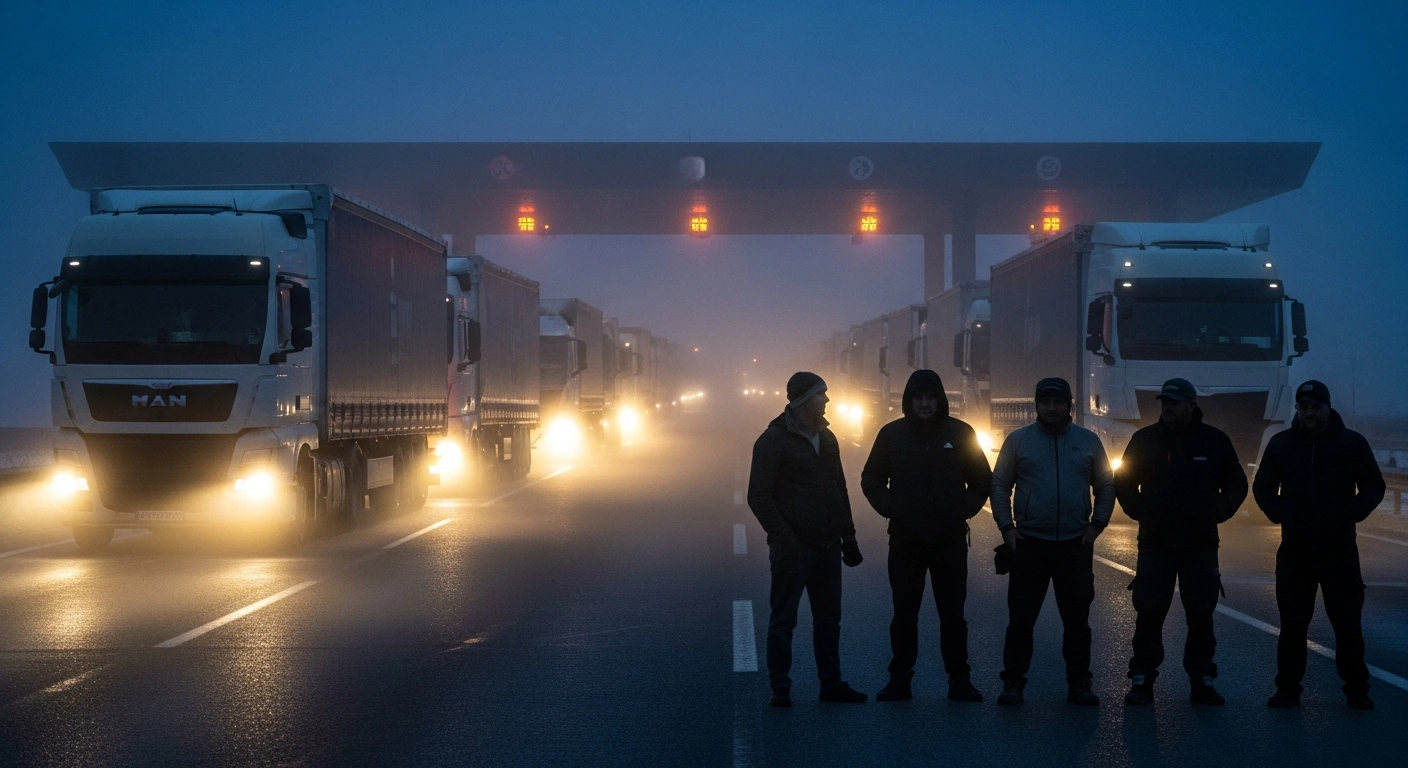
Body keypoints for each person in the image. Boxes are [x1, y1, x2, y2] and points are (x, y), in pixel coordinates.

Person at [860, 370, 993, 702]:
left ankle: (959, 680)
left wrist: (963, 510)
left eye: (929, 398)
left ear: (940, 400)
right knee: (904, 614)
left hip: (949, 540)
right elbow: (871, 479)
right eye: (918, 398)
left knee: (953, 615)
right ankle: (900, 681)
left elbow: (981, 480)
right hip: (906, 540)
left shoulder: (961, 433)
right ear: (908, 401)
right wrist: (892, 508)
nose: (923, 404)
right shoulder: (891, 435)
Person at [1113, 378, 1247, 706]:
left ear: (1191, 404)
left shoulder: (1214, 441)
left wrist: (1214, 513)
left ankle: (1202, 679)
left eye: (1174, 402)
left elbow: (1237, 485)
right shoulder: (1144, 440)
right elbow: (1124, 482)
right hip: (1156, 544)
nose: (1168, 408)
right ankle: (1142, 679)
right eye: (1164, 402)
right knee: (1149, 611)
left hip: (1199, 546)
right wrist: (1144, 512)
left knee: (1201, 614)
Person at [1253, 380, 1385, 710]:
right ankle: (1287, 689)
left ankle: (1357, 689)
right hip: (1295, 549)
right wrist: (1280, 512)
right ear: (1298, 408)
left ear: (1328, 407)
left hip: (1339, 549)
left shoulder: (1351, 444)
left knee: (1347, 625)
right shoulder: (1281, 444)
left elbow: (1373, 484)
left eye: (1316, 406)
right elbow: (1263, 486)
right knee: (1293, 625)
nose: (1310, 412)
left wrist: (1351, 513)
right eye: (1304, 406)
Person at [991, 377, 1115, 706]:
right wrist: (1007, 529)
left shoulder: (1088, 442)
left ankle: (1079, 682)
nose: (1052, 407)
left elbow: (1106, 484)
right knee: (1021, 620)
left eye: (1058, 402)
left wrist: (1096, 526)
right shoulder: (1018, 441)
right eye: (1045, 402)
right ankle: (1013, 682)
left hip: (1075, 546)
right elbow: (1000, 484)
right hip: (1030, 545)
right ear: (1037, 405)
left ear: (1068, 405)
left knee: (1077, 621)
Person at [747, 371, 867, 707]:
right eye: (820, 394)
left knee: (829, 621)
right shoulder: (773, 441)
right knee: (784, 619)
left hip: (829, 545)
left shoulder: (828, 440)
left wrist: (850, 537)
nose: (826, 400)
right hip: (793, 548)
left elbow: (839, 490)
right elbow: (759, 495)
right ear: (802, 400)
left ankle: (831, 684)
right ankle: (780, 687)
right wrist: (783, 537)